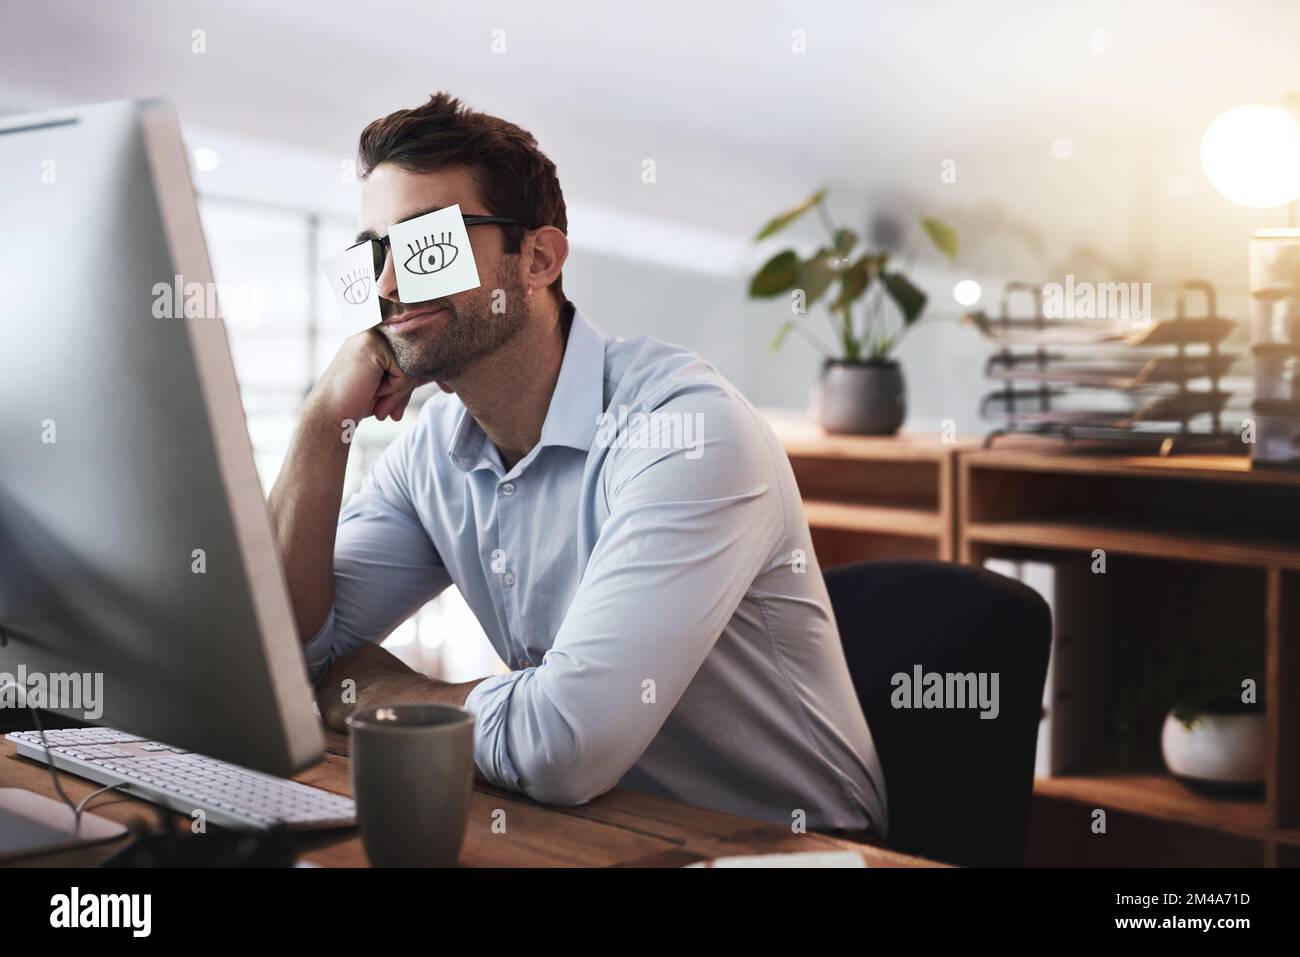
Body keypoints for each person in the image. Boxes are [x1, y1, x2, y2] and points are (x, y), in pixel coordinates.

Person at [268, 93, 886, 834]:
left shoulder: (684, 430)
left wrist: (379, 689)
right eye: (375, 251)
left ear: (537, 258)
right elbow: (279, 656)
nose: (389, 285)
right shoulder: (433, 452)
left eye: (429, 244)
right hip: (603, 827)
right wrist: (320, 419)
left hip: (787, 846)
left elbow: (563, 745)